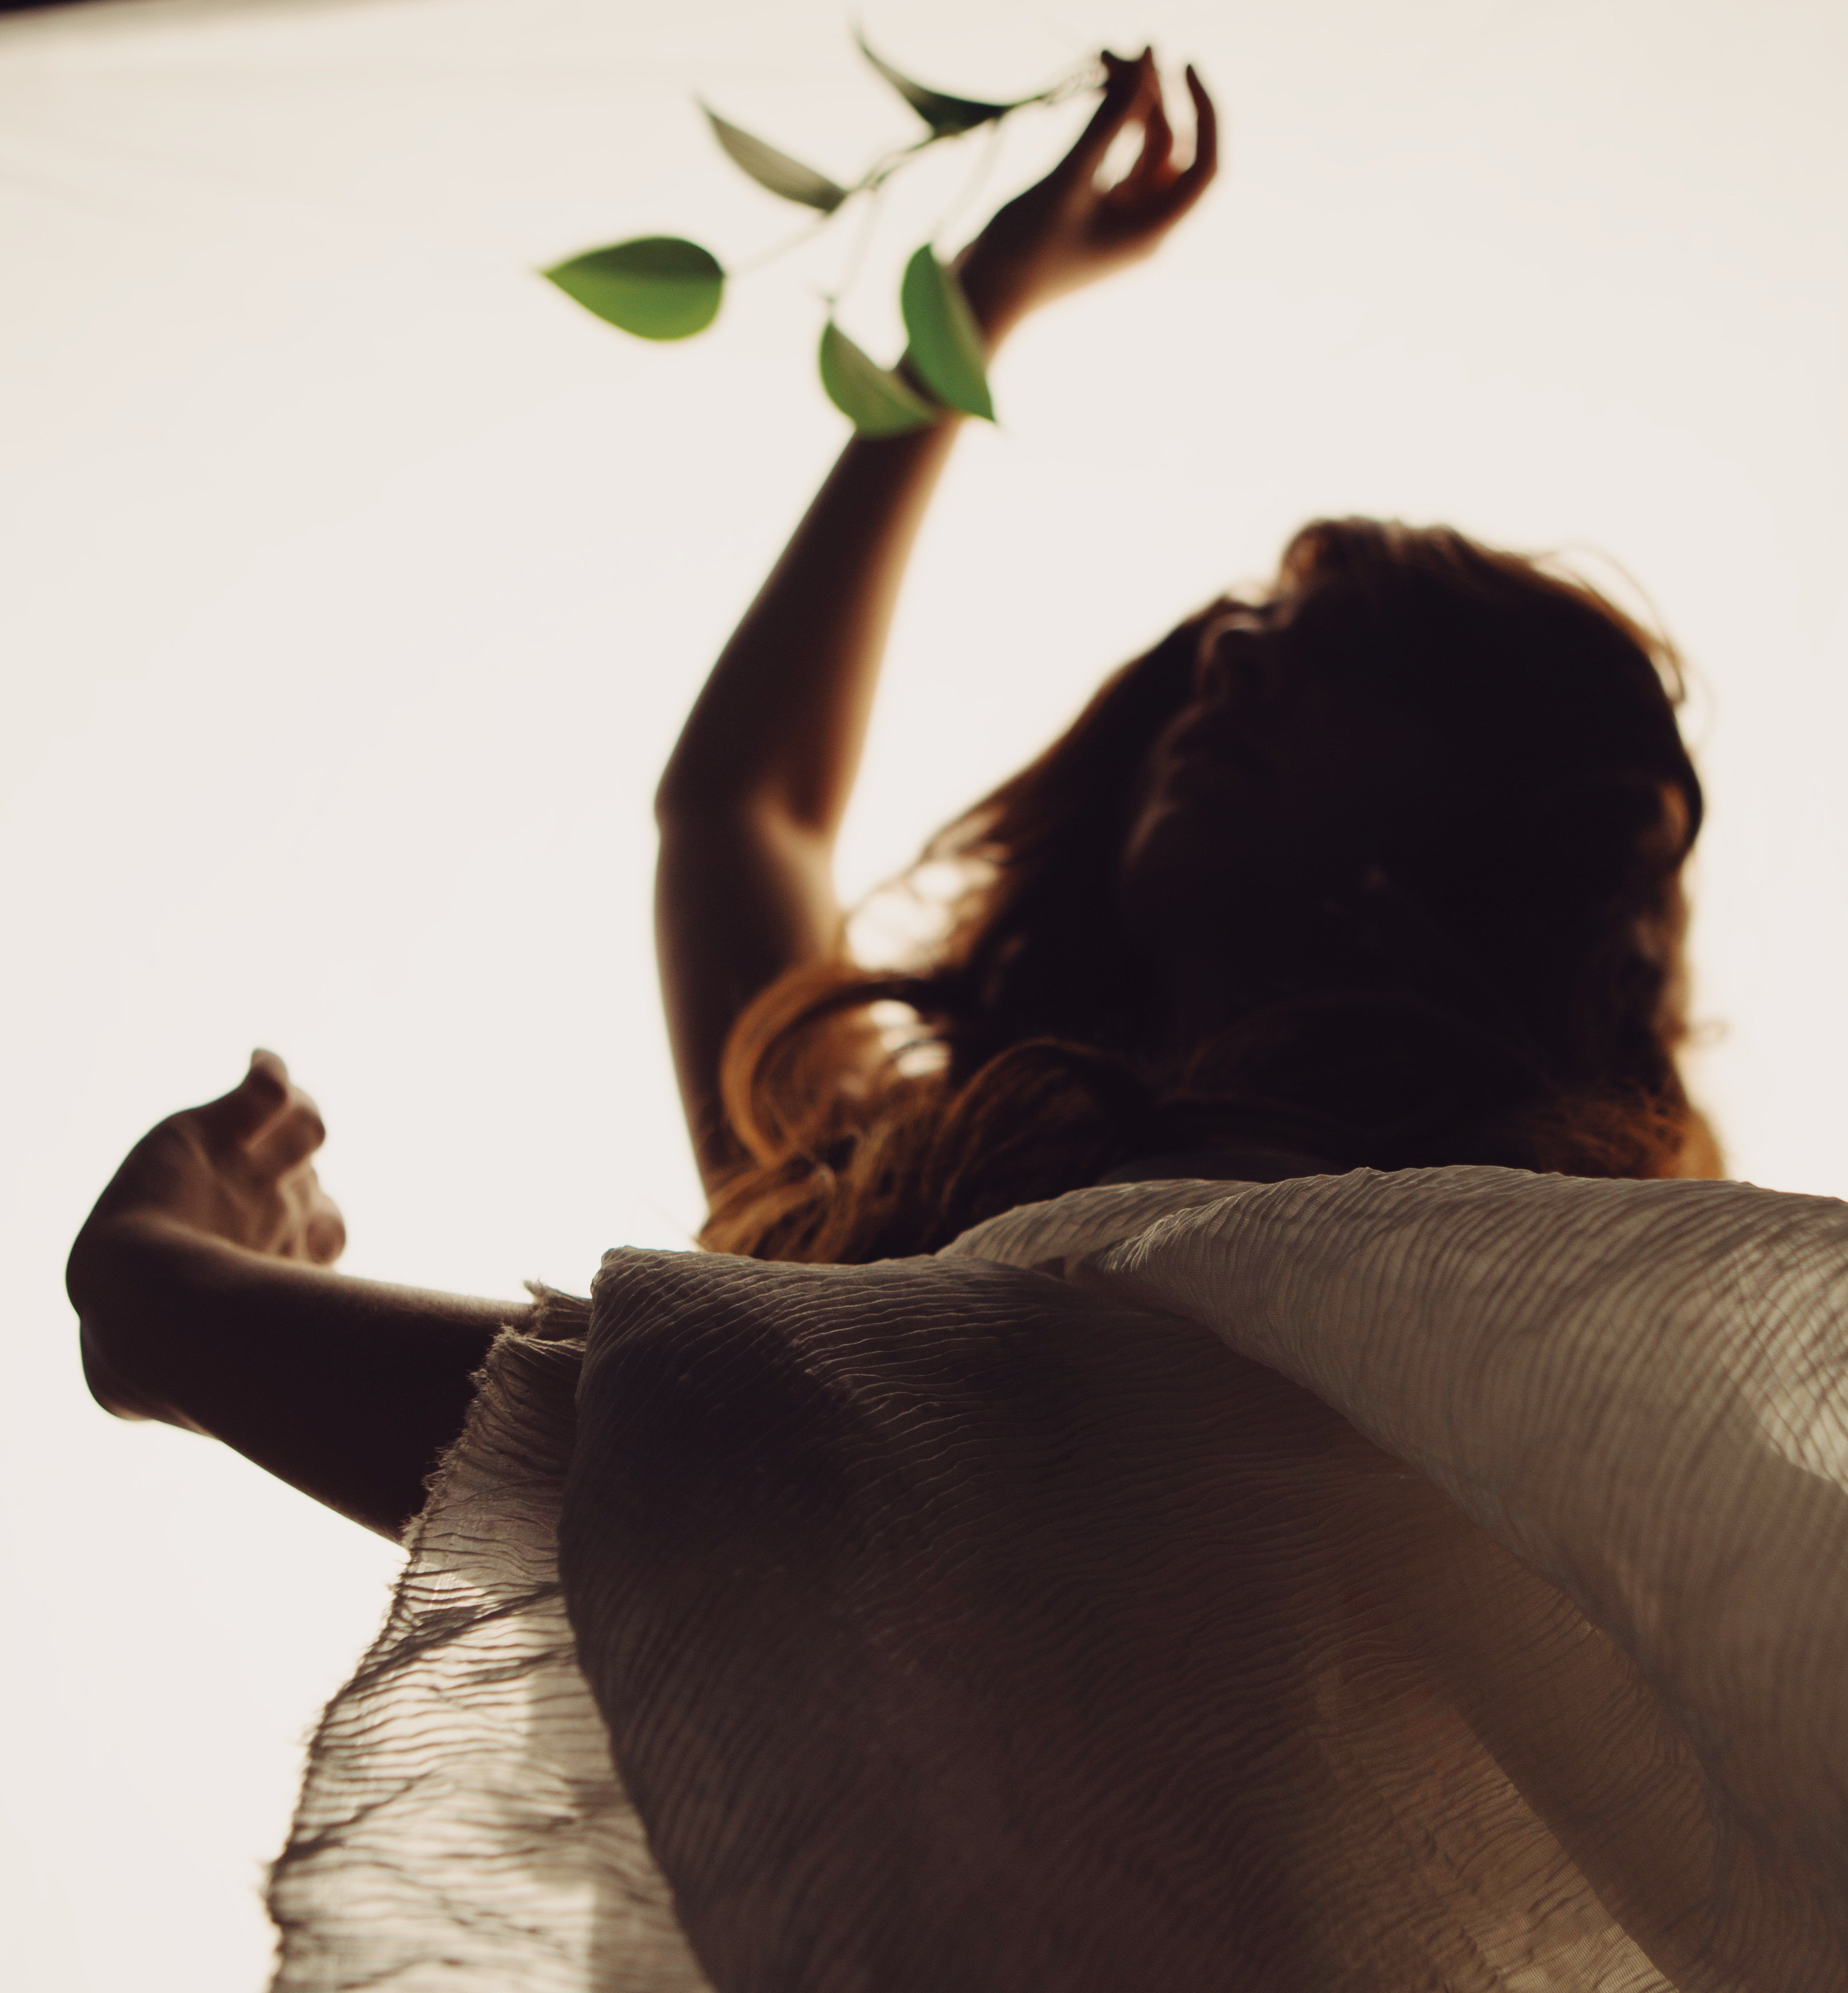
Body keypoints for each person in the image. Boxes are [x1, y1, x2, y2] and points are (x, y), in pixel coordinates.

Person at [67, 48, 1709, 1534]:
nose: (1234, 663)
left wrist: (167, 1302)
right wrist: (970, 313)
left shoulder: (1446, 1278)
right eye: (1249, 632)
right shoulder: (929, 1200)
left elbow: (755, 1470)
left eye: (1344, 653)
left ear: (1508, 825)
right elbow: (745, 813)